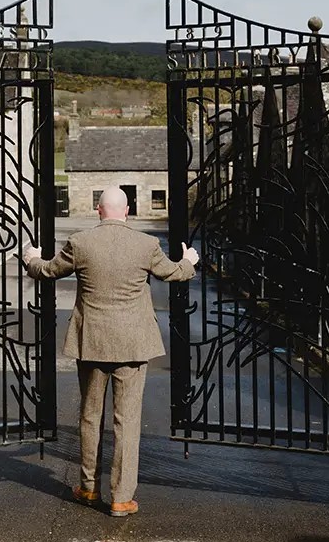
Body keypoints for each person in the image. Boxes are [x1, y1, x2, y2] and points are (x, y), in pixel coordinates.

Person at [22, 186, 199, 517]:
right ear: (127, 210)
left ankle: (88, 489)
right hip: (132, 345)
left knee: (90, 417)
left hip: (92, 342)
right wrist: (189, 260)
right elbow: (174, 273)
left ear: (98, 210)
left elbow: (47, 271)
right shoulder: (146, 244)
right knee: (127, 421)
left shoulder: (81, 242)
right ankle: (121, 497)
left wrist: (31, 258)